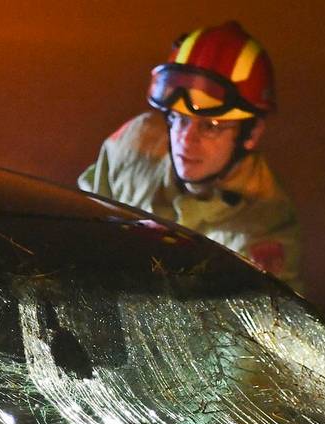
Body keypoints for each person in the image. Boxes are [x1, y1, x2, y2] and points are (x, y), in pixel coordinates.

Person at [79, 21, 301, 289]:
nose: (186, 138)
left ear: (251, 133)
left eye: (211, 126)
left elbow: (268, 313)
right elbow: (75, 226)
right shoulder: (132, 146)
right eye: (180, 119)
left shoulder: (264, 229)